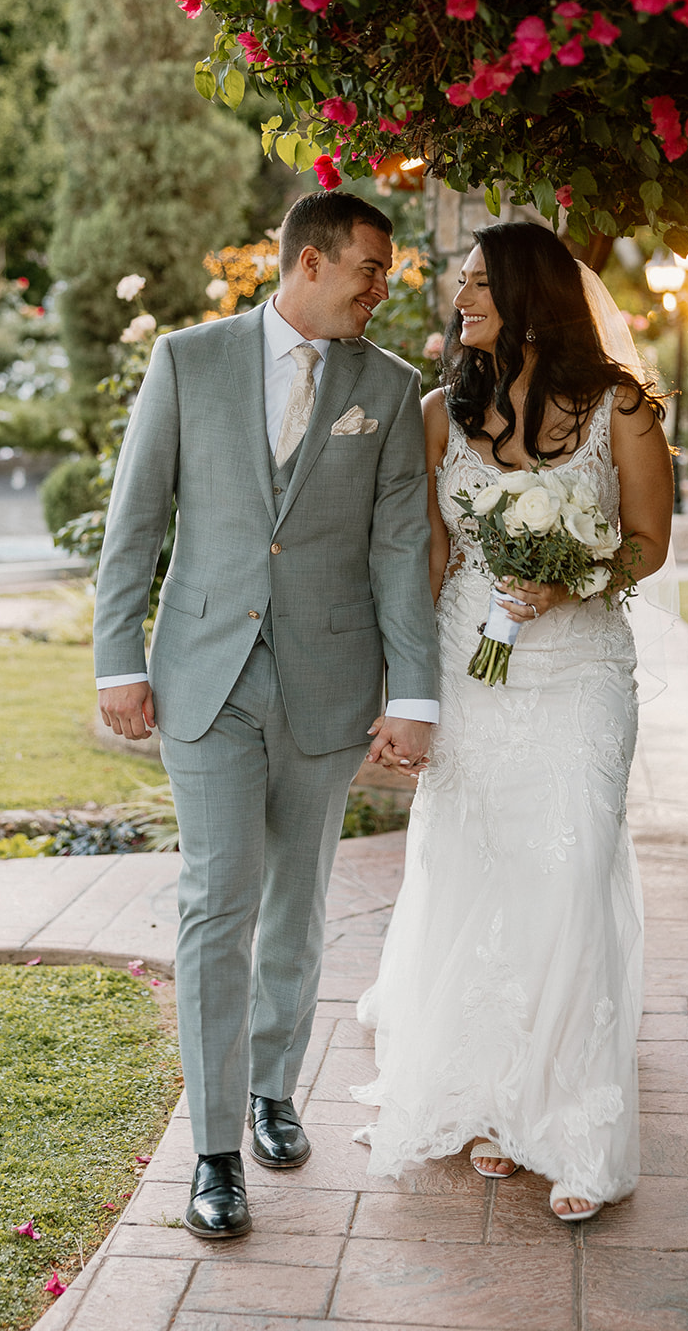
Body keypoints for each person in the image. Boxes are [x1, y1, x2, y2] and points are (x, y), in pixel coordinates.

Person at [93, 191, 440, 1239]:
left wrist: (413, 692)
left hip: (328, 682)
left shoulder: (389, 389)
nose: (382, 287)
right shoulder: (188, 362)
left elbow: (394, 549)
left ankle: (273, 1087)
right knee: (215, 900)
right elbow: (136, 516)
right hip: (205, 674)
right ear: (308, 263)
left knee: (297, 896)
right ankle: (210, 1153)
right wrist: (117, 660)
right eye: (369, 268)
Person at [354, 220, 673, 1222]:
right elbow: (433, 561)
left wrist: (575, 581)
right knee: (478, 872)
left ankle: (575, 1126)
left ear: (529, 292)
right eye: (459, 283)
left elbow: (650, 539)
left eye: (478, 282)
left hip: (579, 669)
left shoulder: (616, 403)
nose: (460, 298)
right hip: (469, 666)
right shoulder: (439, 415)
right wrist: (406, 693)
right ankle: (492, 1104)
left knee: (571, 871)